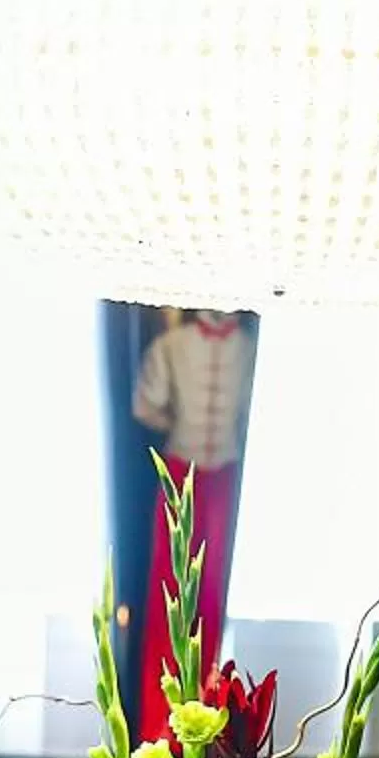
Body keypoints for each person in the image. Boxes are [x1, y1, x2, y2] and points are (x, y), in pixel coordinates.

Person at [129, 309, 258, 729]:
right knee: (168, 594)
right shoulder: (172, 345)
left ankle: (206, 716)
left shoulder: (250, 349)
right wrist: (178, 424)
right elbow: (145, 406)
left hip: (225, 477)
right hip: (179, 468)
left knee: (213, 591)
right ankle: (159, 721)